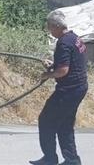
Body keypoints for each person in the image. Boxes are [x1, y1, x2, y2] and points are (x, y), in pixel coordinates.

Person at [30, 10, 88, 165]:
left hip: (69, 90)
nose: (49, 30)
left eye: (49, 27)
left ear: (56, 26)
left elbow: (63, 71)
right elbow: (69, 63)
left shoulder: (63, 42)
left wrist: (46, 75)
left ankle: (50, 158)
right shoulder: (75, 38)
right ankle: (72, 160)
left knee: (46, 120)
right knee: (65, 124)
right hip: (79, 87)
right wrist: (52, 65)